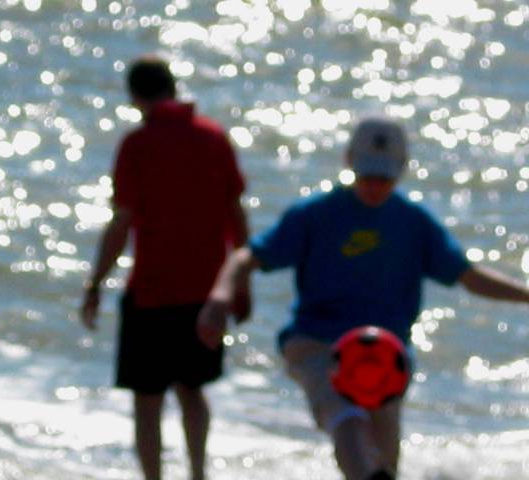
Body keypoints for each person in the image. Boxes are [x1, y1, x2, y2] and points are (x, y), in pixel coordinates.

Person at [197, 117, 529, 480]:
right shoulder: (314, 214)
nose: (374, 185)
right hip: (318, 344)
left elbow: (469, 277)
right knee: (349, 421)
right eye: (367, 174)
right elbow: (247, 257)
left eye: (384, 177)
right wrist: (219, 298)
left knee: (384, 462)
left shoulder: (414, 222)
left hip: (387, 354)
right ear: (348, 160)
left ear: (401, 169)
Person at [80, 55, 248, 480]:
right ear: (173, 87)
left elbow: (121, 222)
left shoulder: (137, 144)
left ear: (135, 96)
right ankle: (198, 474)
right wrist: (240, 284)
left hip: (152, 291)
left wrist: (95, 283)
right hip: (206, 291)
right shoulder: (214, 137)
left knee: (147, 399)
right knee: (193, 390)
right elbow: (237, 215)